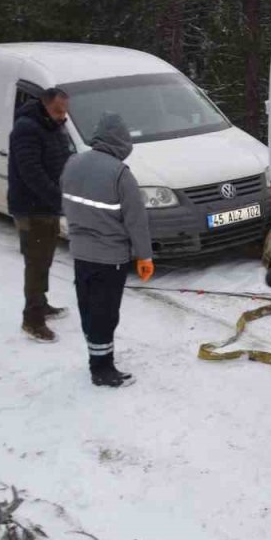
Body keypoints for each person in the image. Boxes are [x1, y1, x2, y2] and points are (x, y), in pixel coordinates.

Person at [60, 114, 154, 388]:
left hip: (80, 253)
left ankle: (95, 358)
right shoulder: (120, 173)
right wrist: (145, 256)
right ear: (120, 141)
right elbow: (136, 220)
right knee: (105, 313)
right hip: (109, 257)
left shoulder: (73, 163)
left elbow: (65, 201)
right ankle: (102, 369)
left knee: (89, 308)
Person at [9, 88, 74, 343]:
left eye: (65, 111)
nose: (63, 116)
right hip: (31, 207)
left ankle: (41, 304)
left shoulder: (52, 126)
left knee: (44, 257)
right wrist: (59, 199)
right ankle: (32, 319)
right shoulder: (27, 129)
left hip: (46, 206)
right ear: (45, 105)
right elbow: (31, 173)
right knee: (36, 262)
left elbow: (62, 159)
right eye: (58, 111)